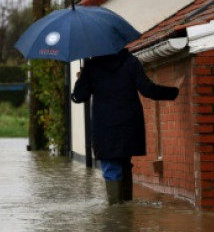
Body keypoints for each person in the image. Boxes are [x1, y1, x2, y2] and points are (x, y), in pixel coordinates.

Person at [71, 48, 179, 205]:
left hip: (105, 127)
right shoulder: (130, 61)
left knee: (111, 167)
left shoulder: (92, 66)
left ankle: (116, 213)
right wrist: (175, 92)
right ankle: (126, 212)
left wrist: (81, 80)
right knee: (125, 165)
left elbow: (79, 96)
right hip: (129, 124)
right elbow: (147, 89)